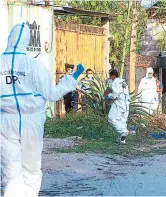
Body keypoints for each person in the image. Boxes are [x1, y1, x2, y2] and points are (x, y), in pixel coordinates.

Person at [0, 23, 84, 197]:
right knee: (31, 167)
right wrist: (70, 80)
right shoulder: (34, 66)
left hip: (5, 120)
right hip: (32, 120)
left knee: (10, 169)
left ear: (10, 39)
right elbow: (52, 94)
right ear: (27, 41)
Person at [105, 69, 130, 144]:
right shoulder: (123, 82)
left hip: (119, 103)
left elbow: (115, 94)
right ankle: (121, 140)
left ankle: (123, 131)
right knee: (122, 121)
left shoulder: (114, 82)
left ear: (112, 76)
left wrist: (108, 96)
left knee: (111, 118)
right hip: (126, 104)